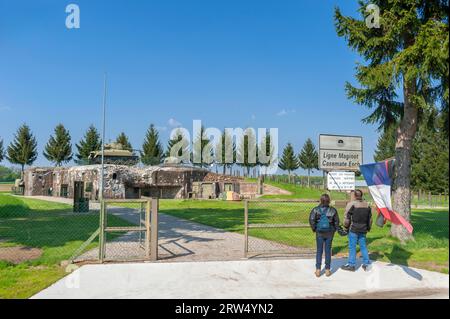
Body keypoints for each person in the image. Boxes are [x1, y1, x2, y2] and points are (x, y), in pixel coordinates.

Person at [341, 189, 373, 272]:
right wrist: (368, 228)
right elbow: (370, 219)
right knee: (363, 246)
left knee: (352, 247)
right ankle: (366, 264)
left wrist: (345, 227)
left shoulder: (351, 204)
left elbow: (347, 217)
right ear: (361, 195)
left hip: (354, 229)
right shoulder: (367, 205)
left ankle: (351, 265)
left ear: (354, 196)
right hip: (363, 229)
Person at [309, 194, 340, 277]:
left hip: (319, 232)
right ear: (329, 200)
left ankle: (318, 270)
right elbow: (336, 222)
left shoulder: (316, 209)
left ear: (321, 200)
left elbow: (312, 220)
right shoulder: (333, 210)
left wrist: (314, 229)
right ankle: (327, 270)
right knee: (328, 251)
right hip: (330, 232)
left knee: (319, 251)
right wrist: (334, 229)